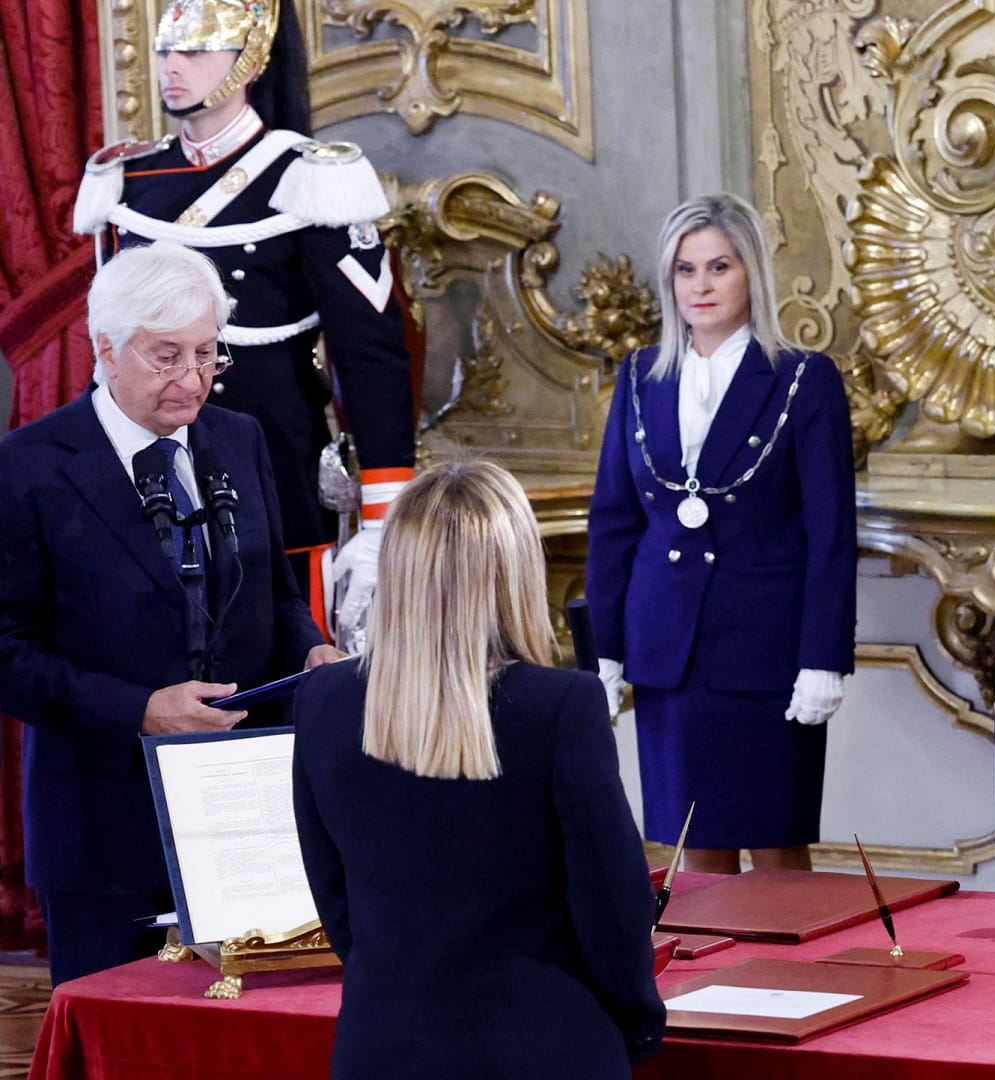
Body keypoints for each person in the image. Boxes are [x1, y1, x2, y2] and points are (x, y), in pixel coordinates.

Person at [0, 243, 337, 984]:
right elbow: (8, 652)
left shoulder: (240, 438)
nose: (192, 380)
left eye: (208, 354)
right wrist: (141, 709)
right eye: (166, 357)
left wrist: (311, 650)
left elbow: (275, 595)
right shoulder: (28, 465)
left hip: (245, 816)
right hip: (101, 822)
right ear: (106, 349)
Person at [292, 461, 666, 1079]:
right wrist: (638, 1019)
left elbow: (334, 898)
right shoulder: (561, 707)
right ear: (516, 570)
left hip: (383, 1046)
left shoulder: (323, 701)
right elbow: (611, 903)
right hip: (546, 1046)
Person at [72, 0, 416, 643]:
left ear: (249, 60)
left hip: (273, 468)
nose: (172, 67)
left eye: (196, 52)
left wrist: (383, 519)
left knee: (280, 666)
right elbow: (107, 351)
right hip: (142, 469)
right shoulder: (129, 179)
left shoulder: (313, 177)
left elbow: (371, 359)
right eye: (166, 51)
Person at [586, 194, 856, 874]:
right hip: (666, 655)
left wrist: (824, 657)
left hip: (766, 653)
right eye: (685, 271)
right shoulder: (640, 376)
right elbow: (614, 522)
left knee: (776, 853)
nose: (700, 287)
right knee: (693, 856)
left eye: (718, 268)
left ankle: (788, 982)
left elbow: (830, 534)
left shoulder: (802, 378)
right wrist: (606, 649)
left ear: (750, 276)